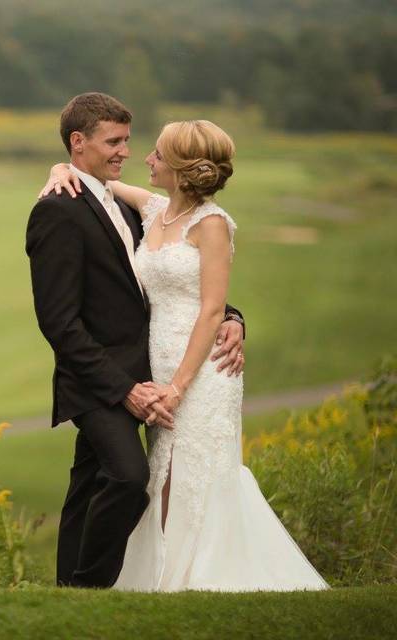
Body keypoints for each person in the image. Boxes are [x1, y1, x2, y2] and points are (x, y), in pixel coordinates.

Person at [38, 107, 328, 591]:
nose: (139, 155)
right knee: (149, 476)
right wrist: (60, 167)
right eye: (119, 142)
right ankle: (135, 580)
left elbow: (210, 306)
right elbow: (98, 195)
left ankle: (196, 576)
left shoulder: (210, 222)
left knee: (194, 474)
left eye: (152, 150)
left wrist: (221, 335)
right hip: (148, 368)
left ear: (180, 167)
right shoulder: (153, 209)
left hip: (194, 373)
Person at [26, 92, 246, 589]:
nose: (127, 151)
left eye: (129, 140)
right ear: (79, 143)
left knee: (88, 484)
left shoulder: (135, 207)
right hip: (99, 378)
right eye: (115, 142)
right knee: (128, 477)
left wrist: (233, 318)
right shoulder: (58, 211)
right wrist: (124, 387)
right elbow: (59, 322)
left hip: (153, 370)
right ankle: (91, 587)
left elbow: (172, 288)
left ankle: (70, 592)